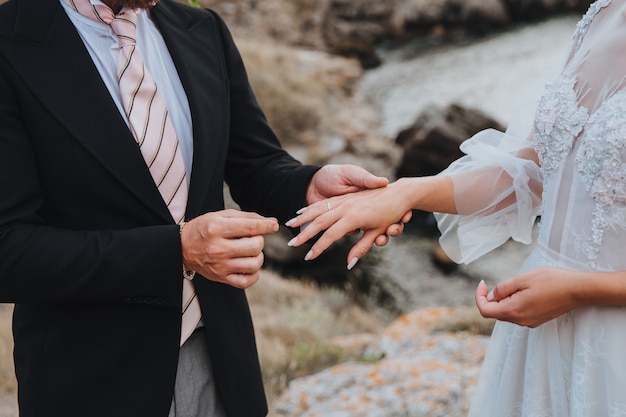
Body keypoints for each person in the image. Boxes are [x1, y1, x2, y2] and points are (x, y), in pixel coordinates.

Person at [0, 0, 404, 416]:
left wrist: (309, 186)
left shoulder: (201, 28)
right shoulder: (9, 44)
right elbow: (8, 250)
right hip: (92, 381)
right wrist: (176, 250)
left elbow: (256, 165)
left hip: (222, 365)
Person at [287, 0, 626, 415]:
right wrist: (406, 192)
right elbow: (535, 172)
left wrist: (578, 289)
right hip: (544, 327)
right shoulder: (602, 14)